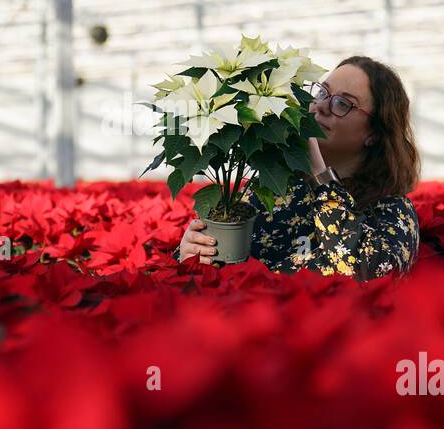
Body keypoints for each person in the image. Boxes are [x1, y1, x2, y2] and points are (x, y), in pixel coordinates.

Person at [176, 55, 420, 281]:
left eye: (342, 103)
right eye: (322, 92)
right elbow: (224, 267)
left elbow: (370, 271)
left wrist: (319, 173)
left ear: (374, 133)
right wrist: (192, 251)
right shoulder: (274, 192)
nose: (322, 106)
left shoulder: (392, 210)